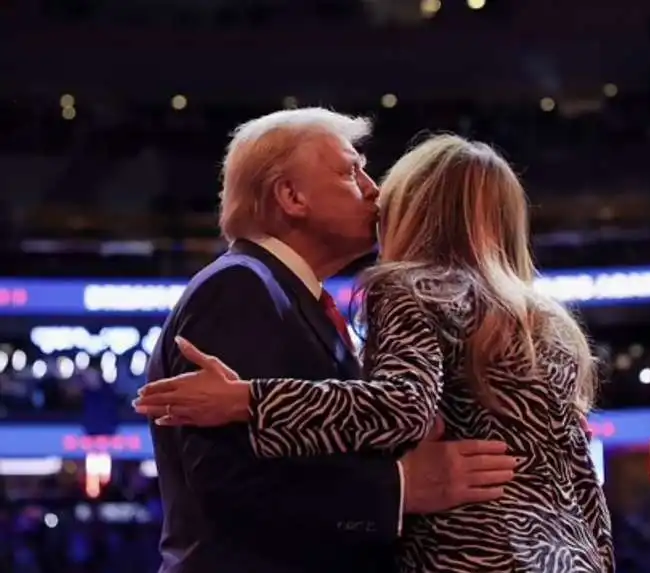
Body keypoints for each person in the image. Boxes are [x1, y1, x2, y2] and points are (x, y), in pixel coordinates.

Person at [136, 133, 615, 572]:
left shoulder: (413, 288)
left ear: (415, 208)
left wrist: (249, 400)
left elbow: (403, 406)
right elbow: (583, 478)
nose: (373, 193)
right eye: (352, 173)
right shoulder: (551, 323)